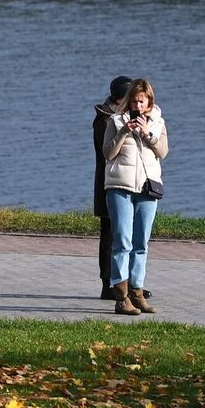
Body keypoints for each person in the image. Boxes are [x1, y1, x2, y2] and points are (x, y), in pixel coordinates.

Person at [99, 78, 167, 315]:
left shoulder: (158, 123)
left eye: (142, 101)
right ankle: (121, 297)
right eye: (134, 101)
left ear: (149, 102)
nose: (137, 106)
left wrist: (148, 134)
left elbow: (163, 152)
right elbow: (108, 153)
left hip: (148, 189)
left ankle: (137, 293)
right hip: (120, 188)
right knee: (123, 242)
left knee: (141, 243)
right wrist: (124, 133)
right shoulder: (115, 121)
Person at [92, 76, 133, 300]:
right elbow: (108, 153)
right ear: (120, 99)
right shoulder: (105, 121)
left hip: (126, 180)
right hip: (109, 182)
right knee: (110, 234)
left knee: (126, 235)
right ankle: (109, 284)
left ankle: (127, 283)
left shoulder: (121, 117)